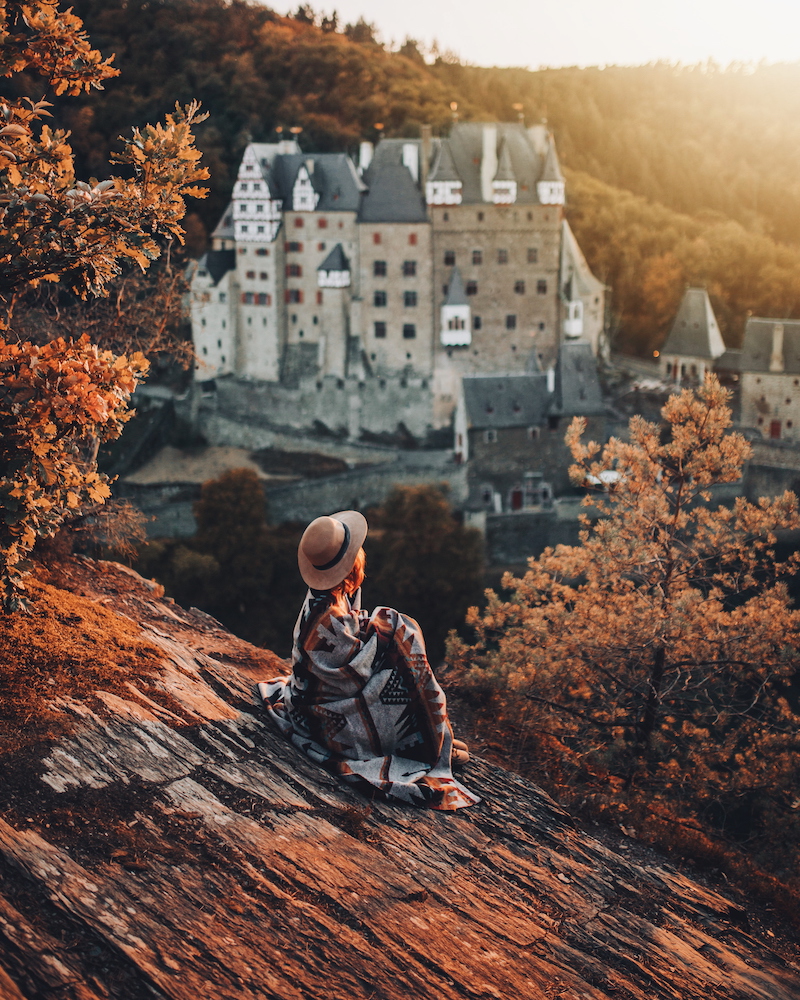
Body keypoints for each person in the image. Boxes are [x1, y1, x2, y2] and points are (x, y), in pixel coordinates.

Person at [256, 510, 479, 811]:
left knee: (392, 645)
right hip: (327, 723)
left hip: (306, 705)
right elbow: (354, 676)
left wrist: (375, 634)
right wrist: (388, 633)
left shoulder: (320, 601)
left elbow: (345, 656)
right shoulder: (332, 617)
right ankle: (426, 746)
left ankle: (430, 741)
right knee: (401, 649)